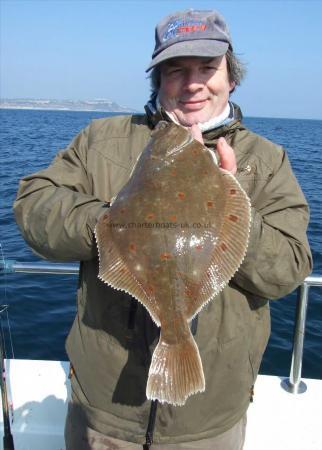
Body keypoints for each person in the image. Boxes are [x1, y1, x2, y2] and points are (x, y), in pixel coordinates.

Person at [13, 8, 312, 450]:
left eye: (208, 68)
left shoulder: (266, 161)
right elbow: (34, 208)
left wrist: (232, 207)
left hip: (210, 418)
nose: (193, 83)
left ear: (231, 77)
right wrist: (114, 222)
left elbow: (287, 269)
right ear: (158, 80)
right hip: (103, 410)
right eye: (176, 70)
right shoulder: (101, 140)